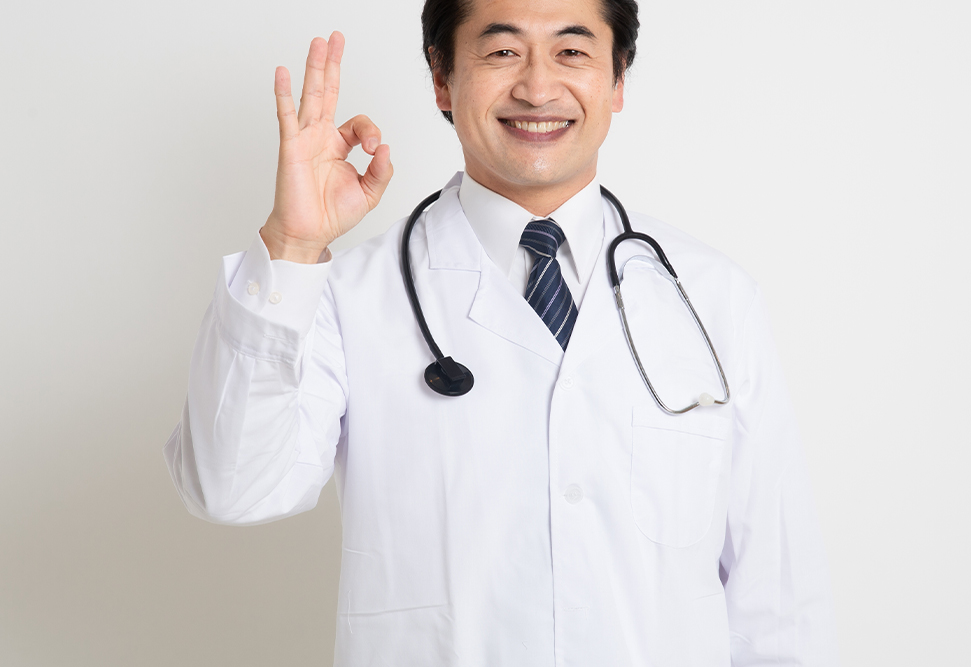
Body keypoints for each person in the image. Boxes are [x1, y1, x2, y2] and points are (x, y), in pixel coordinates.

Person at [164, 0, 839, 664]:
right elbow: (233, 488)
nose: (538, 88)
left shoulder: (712, 297)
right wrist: (291, 244)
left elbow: (776, 598)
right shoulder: (345, 295)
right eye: (503, 51)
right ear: (442, 77)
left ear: (617, 79)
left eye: (571, 51)